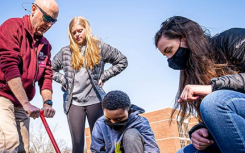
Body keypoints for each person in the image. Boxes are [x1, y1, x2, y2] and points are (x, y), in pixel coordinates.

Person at [154, 16, 245, 153]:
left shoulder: (232, 39)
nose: (169, 59)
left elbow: (223, 103)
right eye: (165, 55)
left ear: (184, 38)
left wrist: (213, 87)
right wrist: (200, 130)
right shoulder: (194, 72)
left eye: (169, 50)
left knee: (214, 102)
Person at [52, 16, 128, 153]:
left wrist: (104, 76)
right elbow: (48, 69)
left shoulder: (100, 47)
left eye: (80, 31)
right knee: (77, 144)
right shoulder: (65, 52)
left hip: (95, 101)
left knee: (100, 142)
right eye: (73, 32)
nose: (77, 35)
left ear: (86, 29)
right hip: (74, 103)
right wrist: (64, 80)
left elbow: (122, 61)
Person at [0, 0, 59, 152]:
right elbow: (9, 66)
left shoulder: (45, 45)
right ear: (33, 9)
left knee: (23, 148)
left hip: (21, 102)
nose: (49, 24)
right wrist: (26, 103)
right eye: (47, 18)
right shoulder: (12, 27)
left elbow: (46, 75)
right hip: (2, 95)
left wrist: (47, 103)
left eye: (53, 21)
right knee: (9, 141)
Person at [90, 90, 160, 153]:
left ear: (129, 111)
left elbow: (152, 149)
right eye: (108, 118)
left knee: (131, 134)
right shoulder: (100, 124)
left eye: (119, 119)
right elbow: (96, 150)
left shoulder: (140, 122)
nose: (113, 122)